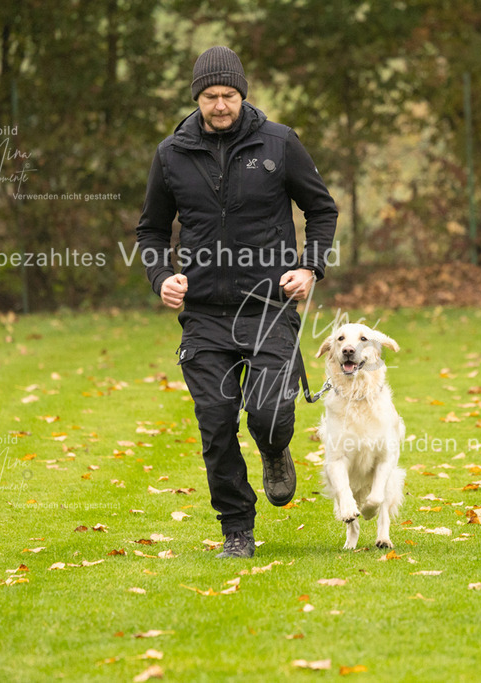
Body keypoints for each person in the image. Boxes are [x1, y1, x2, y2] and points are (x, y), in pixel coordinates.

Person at [134, 46, 338, 558]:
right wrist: (162, 276)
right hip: (203, 313)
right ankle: (237, 530)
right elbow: (152, 229)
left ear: (242, 95)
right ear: (196, 98)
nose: (219, 105)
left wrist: (310, 267)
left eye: (227, 95)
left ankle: (274, 451)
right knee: (216, 419)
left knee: (269, 414)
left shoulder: (279, 143)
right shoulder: (171, 154)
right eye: (210, 97)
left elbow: (321, 209)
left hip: (269, 306)